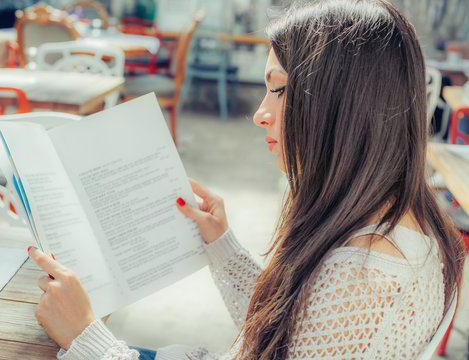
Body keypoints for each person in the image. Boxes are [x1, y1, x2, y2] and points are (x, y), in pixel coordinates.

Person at [28, 0, 465, 359]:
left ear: (342, 106)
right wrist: (222, 244)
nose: (260, 113)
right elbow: (288, 336)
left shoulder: (364, 280)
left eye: (280, 89)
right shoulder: (403, 219)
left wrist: (87, 337)